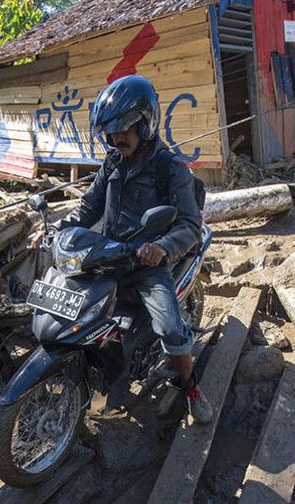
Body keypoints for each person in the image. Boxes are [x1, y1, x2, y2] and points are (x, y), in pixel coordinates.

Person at [34, 75, 213, 424]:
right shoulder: (112, 163)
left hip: (147, 264)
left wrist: (160, 248)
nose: (117, 138)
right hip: (108, 256)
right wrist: (59, 228)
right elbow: (88, 208)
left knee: (170, 329)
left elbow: (191, 225)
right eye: (112, 131)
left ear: (145, 123)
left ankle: (190, 386)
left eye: (125, 129)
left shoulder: (170, 168)